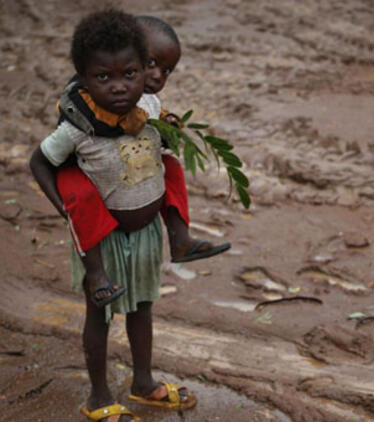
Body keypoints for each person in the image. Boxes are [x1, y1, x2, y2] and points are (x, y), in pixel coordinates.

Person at [30, 9, 196, 421]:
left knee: (142, 308)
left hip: (143, 236)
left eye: (131, 74)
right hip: (100, 241)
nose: (120, 87)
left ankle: (143, 383)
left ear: (145, 71)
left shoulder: (150, 108)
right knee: (99, 315)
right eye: (104, 77)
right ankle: (99, 397)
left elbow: (162, 154)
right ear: (83, 78)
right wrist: (68, 210)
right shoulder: (76, 127)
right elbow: (39, 163)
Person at [54, 14, 229, 308]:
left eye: (167, 70)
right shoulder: (84, 92)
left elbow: (143, 123)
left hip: (123, 170)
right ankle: (97, 274)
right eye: (151, 64)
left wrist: (165, 126)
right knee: (79, 193)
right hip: (85, 169)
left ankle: (180, 238)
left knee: (170, 166)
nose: (159, 76)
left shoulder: (141, 97)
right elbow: (108, 124)